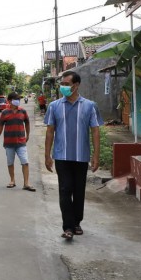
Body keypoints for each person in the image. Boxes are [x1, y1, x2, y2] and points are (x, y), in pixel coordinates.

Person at [44, 71, 101, 241]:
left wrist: (96, 156)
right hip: (62, 155)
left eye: (67, 84)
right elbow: (49, 132)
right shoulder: (54, 106)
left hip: (81, 155)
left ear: (76, 85)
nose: (64, 87)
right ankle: (67, 226)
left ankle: (77, 222)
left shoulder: (90, 106)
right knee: (64, 189)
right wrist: (47, 155)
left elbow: (95, 131)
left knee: (79, 191)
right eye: (62, 83)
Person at [0, 92, 34, 191]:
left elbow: (27, 123)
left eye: (18, 99)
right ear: (9, 101)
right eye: (15, 99)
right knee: (10, 162)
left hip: (21, 142)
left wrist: (28, 135)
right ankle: (12, 180)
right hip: (9, 142)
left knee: (25, 162)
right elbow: (0, 127)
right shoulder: (4, 113)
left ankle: (26, 183)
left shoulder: (23, 111)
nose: (17, 101)